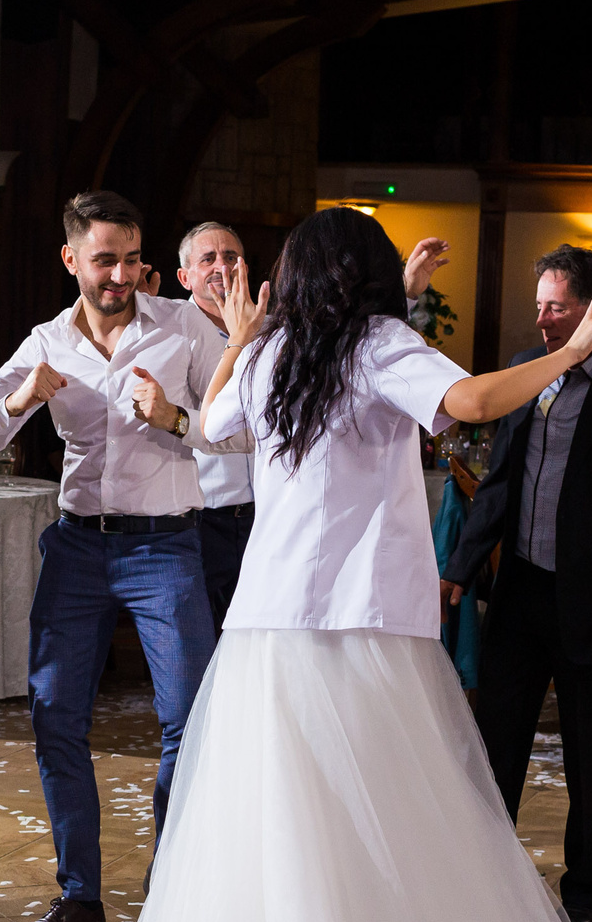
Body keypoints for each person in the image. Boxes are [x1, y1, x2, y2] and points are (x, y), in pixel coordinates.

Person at [91, 207, 592, 922]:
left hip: (270, 626)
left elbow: (211, 424)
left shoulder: (273, 352)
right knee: (380, 822)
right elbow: (472, 402)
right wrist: (573, 351)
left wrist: (240, 338)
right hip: (362, 621)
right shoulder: (379, 344)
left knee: (279, 830)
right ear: (371, 277)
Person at [0, 191, 217, 922]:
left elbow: (242, 429)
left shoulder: (183, 327)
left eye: (131, 259)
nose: (121, 275)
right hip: (76, 549)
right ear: (71, 259)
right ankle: (80, 899)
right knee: (55, 716)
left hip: (165, 547)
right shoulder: (45, 343)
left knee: (188, 721)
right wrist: (20, 400)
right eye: (105, 260)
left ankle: (171, 894)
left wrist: (175, 419)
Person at [441, 243, 592, 922]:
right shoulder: (527, 370)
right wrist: (459, 565)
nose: (544, 320)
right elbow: (499, 483)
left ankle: (586, 895)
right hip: (520, 594)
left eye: (559, 307)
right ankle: (482, 880)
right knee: (495, 746)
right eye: (540, 306)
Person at [141, 221, 451, 631]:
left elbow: (347, 343)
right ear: (184, 277)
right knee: (209, 639)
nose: (222, 267)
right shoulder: (171, 329)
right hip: (207, 513)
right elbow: (216, 424)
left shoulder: (277, 329)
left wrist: (403, 293)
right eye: (208, 259)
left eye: (231, 256)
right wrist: (181, 420)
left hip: (272, 514)